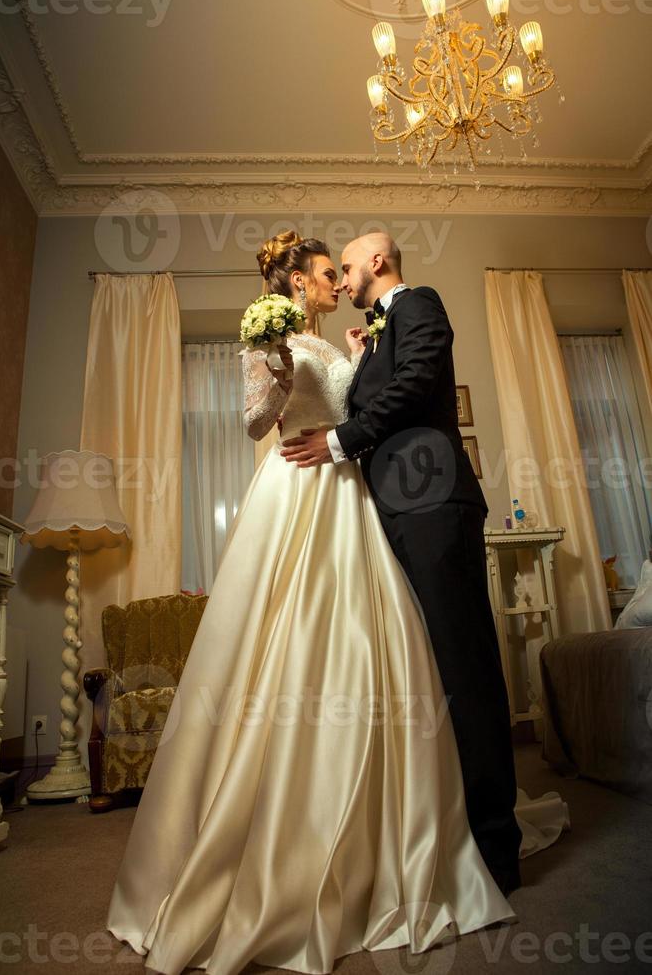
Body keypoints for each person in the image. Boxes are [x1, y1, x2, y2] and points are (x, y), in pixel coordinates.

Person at [106, 231, 518, 975]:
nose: (339, 283)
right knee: (285, 646)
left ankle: (399, 825)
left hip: (353, 499)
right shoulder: (270, 339)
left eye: (344, 272)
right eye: (329, 274)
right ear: (297, 281)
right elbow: (256, 422)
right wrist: (269, 364)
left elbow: (370, 403)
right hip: (297, 489)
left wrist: (359, 361)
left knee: (380, 647)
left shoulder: (359, 338)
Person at [279, 232, 523, 897]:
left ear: (378, 263)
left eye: (351, 269)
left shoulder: (419, 303)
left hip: (433, 504)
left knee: (465, 668)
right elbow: (387, 385)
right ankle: (446, 832)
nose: (347, 282)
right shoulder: (375, 334)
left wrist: (340, 438)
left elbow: (417, 383)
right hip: (390, 513)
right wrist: (362, 366)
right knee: (422, 672)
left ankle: (498, 848)